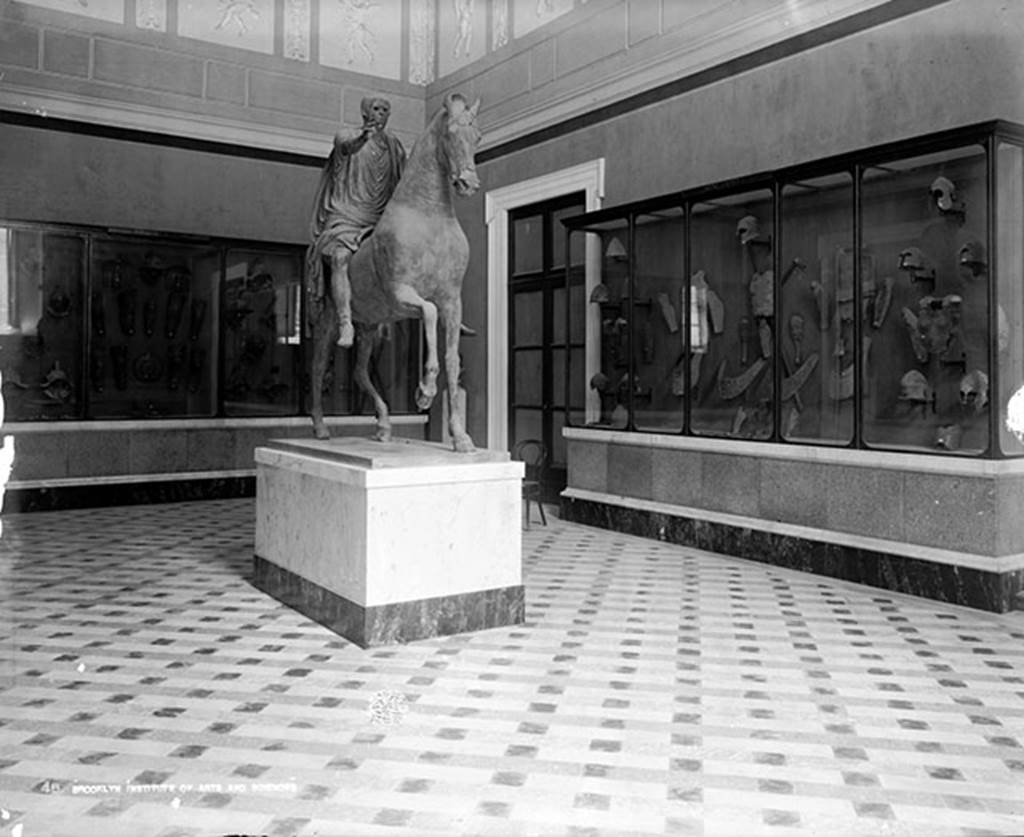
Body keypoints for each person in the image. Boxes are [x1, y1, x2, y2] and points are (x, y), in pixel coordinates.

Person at [306, 97, 405, 346]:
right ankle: (345, 322)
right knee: (340, 258)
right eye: (376, 109)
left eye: (385, 110)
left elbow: (405, 178)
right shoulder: (346, 135)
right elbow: (347, 146)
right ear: (364, 111)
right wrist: (363, 138)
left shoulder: (393, 145)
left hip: (380, 218)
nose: (380, 114)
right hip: (347, 216)